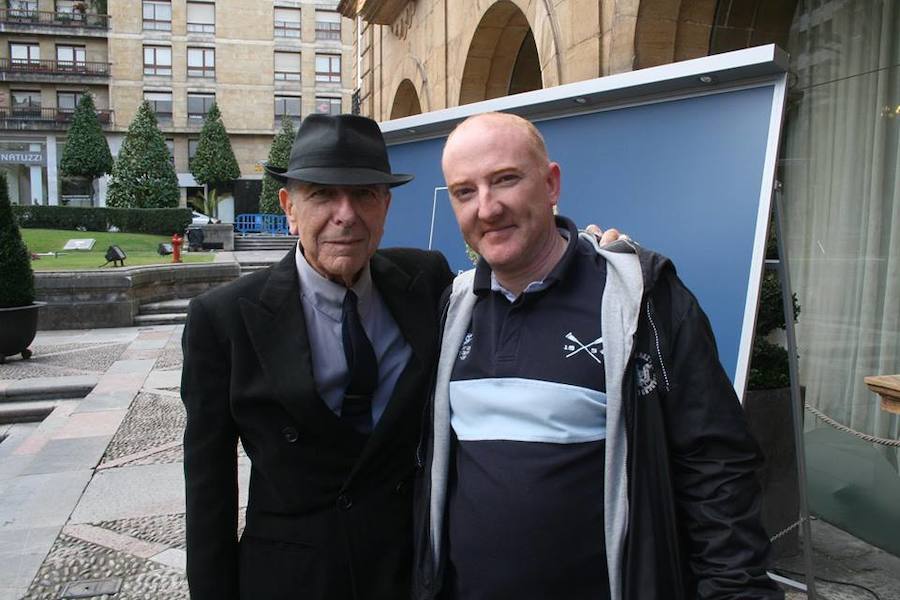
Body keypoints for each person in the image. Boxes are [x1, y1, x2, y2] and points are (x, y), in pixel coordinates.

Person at [412, 112, 782, 600]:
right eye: (464, 191)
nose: (486, 208)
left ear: (550, 184)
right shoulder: (453, 307)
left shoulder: (641, 298)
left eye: (505, 180)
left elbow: (716, 468)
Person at [180, 114, 454, 599]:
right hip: (293, 577)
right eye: (323, 194)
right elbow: (209, 490)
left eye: (365, 193)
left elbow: (505, 293)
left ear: (385, 206)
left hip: (406, 570)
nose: (345, 214)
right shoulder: (224, 320)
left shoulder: (426, 280)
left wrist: (585, 254)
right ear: (289, 208)